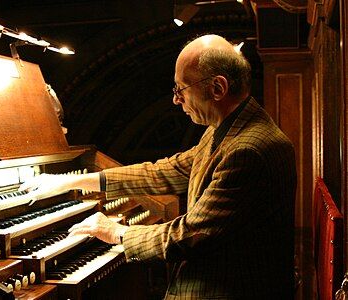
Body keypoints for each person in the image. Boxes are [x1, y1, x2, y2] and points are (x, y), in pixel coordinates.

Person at [20, 34, 297, 299]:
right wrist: (74, 181)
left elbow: (190, 235)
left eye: (181, 89)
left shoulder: (247, 149)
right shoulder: (227, 129)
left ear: (217, 88)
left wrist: (117, 231)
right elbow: (168, 170)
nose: (176, 100)